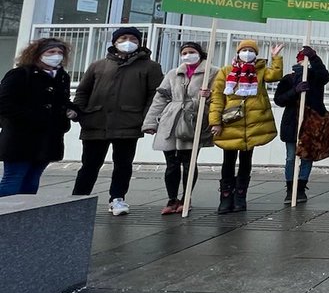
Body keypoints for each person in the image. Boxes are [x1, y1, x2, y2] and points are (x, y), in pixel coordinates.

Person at [71, 27, 164, 216]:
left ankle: (117, 198)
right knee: (89, 164)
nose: (127, 41)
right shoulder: (98, 65)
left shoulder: (150, 67)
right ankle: (78, 198)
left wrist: (147, 119)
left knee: (123, 163)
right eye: (123, 38)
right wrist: (78, 111)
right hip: (96, 121)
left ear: (139, 42)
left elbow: (154, 96)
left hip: (128, 122)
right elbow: (83, 91)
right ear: (114, 42)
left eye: (132, 38)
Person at [208, 40, 284, 214]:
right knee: (228, 160)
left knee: (246, 161)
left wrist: (276, 58)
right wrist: (215, 122)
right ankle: (226, 197)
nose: (247, 53)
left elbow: (275, 76)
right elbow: (217, 98)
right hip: (230, 123)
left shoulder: (260, 70)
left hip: (253, 123)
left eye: (251, 50)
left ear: (256, 54)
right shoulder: (226, 71)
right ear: (238, 52)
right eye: (244, 50)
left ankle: (240, 197)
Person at [142, 41, 216, 215]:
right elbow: (160, 98)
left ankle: (186, 198)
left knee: (189, 162)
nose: (188, 55)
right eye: (184, 52)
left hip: (193, 120)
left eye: (191, 52)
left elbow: (219, 96)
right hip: (171, 120)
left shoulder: (212, 72)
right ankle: (172, 199)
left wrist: (209, 96)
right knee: (171, 163)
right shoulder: (173, 73)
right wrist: (151, 122)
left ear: (200, 53)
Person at [0, 38, 75, 196]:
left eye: (60, 52)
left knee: (33, 179)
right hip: (20, 137)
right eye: (51, 52)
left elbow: (62, 101)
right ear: (38, 54)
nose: (56, 56)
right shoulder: (20, 74)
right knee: (13, 178)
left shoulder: (62, 77)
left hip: (48, 139)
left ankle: (26, 217)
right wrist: (32, 118)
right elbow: (5, 103)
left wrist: (71, 110)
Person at [275, 46, 329, 205]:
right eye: (302, 60)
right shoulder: (288, 79)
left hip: (311, 124)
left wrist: (315, 58)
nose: (304, 64)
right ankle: (290, 188)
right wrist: (295, 91)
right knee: (291, 157)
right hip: (293, 123)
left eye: (307, 61)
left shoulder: (316, 78)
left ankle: (301, 187)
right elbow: (279, 100)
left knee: (307, 157)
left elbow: (325, 76)